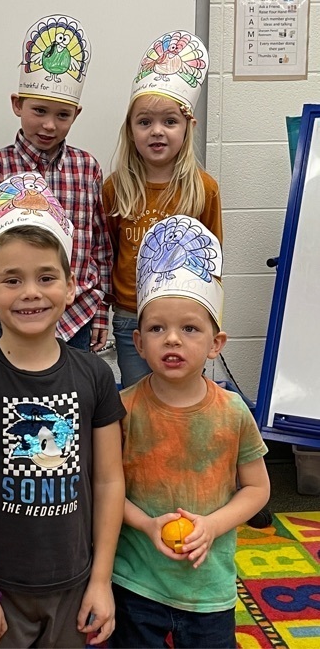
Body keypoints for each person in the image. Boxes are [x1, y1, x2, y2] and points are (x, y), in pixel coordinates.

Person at [0, 178, 126, 648]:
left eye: (46, 278)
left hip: (77, 582)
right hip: (0, 589)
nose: (31, 292)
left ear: (71, 287)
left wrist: (101, 580)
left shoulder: (95, 376)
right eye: (12, 280)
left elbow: (109, 481)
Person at [110, 215, 270, 649]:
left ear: (216, 344)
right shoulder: (123, 409)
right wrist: (147, 525)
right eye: (157, 328)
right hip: (136, 581)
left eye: (190, 328)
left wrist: (213, 525)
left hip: (208, 587)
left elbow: (257, 489)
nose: (172, 340)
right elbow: (106, 488)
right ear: (138, 343)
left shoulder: (233, 412)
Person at [0, 13, 112, 355]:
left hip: (77, 313)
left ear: (76, 114)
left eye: (62, 115)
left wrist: (100, 310)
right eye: (39, 111)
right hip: (12, 312)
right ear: (17, 104)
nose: (49, 125)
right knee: (12, 384)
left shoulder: (87, 168)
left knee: (74, 387)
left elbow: (99, 250)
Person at [102, 30, 222, 388]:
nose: (157, 131)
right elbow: (108, 252)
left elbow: (214, 262)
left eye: (170, 121)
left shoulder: (203, 189)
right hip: (131, 317)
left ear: (188, 127)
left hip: (185, 315)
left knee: (182, 395)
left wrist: (207, 319)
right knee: (137, 398)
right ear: (130, 130)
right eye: (145, 122)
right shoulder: (115, 188)